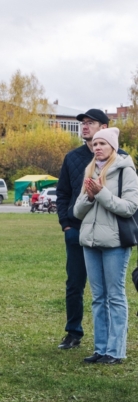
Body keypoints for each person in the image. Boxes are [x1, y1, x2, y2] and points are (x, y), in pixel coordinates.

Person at [55, 109, 127, 350]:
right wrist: (66, 224)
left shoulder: (122, 160)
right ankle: (73, 332)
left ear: (105, 127)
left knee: (110, 292)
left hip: (110, 233)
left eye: (91, 123)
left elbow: (129, 202)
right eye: (82, 124)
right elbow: (63, 193)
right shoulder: (73, 158)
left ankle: (111, 346)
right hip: (77, 230)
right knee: (75, 284)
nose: (84, 127)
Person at [73, 128, 138, 365]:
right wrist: (89, 196)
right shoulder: (90, 171)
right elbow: (77, 212)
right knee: (98, 297)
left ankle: (116, 351)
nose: (97, 147)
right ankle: (100, 349)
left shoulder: (126, 171)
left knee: (115, 296)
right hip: (90, 242)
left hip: (115, 243)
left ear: (113, 147)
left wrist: (101, 193)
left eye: (102, 143)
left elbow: (129, 208)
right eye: (95, 143)